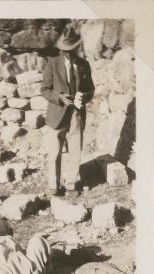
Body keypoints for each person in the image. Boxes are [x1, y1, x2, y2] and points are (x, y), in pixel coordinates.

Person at [41, 24, 95, 196]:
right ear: (60, 49)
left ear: (77, 48)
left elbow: (90, 89)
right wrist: (59, 97)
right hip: (57, 113)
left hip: (76, 114)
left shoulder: (84, 65)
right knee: (55, 151)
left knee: (75, 148)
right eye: (65, 50)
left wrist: (84, 97)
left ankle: (71, 183)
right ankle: (54, 185)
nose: (68, 53)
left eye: (71, 50)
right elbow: (44, 89)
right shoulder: (52, 63)